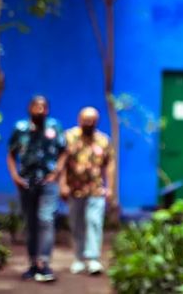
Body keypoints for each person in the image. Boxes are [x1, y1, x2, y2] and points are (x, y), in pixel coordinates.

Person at [7, 95, 66, 282]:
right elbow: (11, 153)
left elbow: (64, 151)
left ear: (47, 109)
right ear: (29, 108)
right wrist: (15, 176)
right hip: (26, 182)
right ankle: (33, 263)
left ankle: (44, 262)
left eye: (43, 107)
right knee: (30, 223)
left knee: (46, 219)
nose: (39, 110)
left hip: (48, 182)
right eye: (36, 106)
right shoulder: (20, 128)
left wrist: (56, 172)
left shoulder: (54, 127)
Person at [60, 106, 114, 275]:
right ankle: (78, 257)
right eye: (85, 120)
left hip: (95, 189)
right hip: (74, 190)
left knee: (94, 222)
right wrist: (62, 184)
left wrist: (110, 187)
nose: (88, 123)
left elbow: (110, 164)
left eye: (92, 120)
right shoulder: (69, 137)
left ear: (96, 121)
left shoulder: (103, 140)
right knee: (77, 224)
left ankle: (93, 259)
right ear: (79, 120)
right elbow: (61, 164)